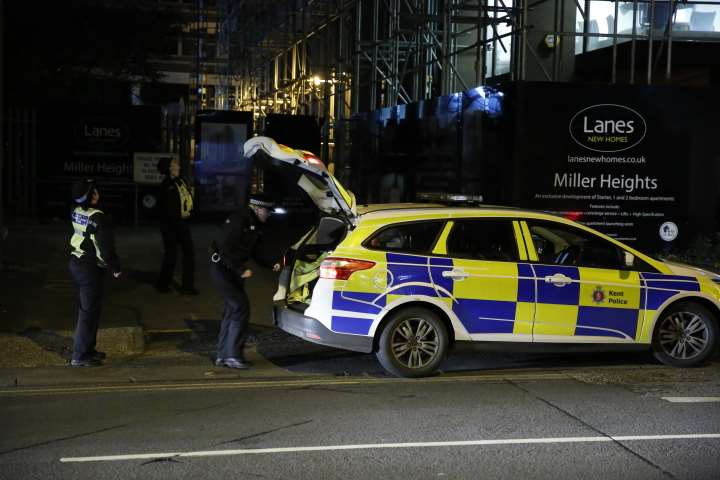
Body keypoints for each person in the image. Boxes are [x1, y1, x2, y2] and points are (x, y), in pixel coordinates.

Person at [210, 193, 281, 369]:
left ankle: (223, 355)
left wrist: (270, 263)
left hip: (232, 270)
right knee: (240, 308)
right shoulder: (238, 220)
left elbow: (254, 250)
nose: (269, 214)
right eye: (267, 210)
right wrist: (241, 269)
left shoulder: (254, 223)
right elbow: (225, 249)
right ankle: (233, 356)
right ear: (257, 208)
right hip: (223, 269)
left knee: (231, 310)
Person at [68, 179, 122, 367]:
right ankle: (80, 355)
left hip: (77, 262)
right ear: (92, 196)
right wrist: (115, 267)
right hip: (90, 267)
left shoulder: (75, 211)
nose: (98, 193)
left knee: (92, 310)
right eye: (95, 191)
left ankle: (88, 350)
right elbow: (106, 248)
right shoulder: (99, 218)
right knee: (88, 312)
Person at [155, 157, 197, 295]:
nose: (178, 166)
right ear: (169, 169)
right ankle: (163, 284)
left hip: (182, 223)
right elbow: (167, 209)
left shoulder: (181, 181)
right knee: (171, 254)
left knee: (189, 254)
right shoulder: (166, 186)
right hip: (170, 226)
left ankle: (187, 286)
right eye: (174, 165)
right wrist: (176, 223)